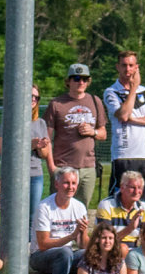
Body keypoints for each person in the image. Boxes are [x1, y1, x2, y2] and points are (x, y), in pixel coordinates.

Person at [43, 63, 107, 208]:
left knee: (81, 209)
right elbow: (46, 139)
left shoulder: (95, 101)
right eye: (77, 78)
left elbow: (103, 133)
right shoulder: (56, 104)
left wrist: (93, 132)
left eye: (85, 79)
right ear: (68, 81)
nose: (81, 82)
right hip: (63, 166)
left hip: (88, 167)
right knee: (58, 208)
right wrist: (52, 167)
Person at [29, 166, 89, 274]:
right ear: (57, 184)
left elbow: (82, 245)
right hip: (41, 257)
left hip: (66, 256)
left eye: (73, 183)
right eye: (66, 183)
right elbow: (43, 244)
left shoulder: (79, 207)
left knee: (89, 254)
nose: (70, 187)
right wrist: (71, 236)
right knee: (65, 252)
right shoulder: (45, 207)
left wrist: (82, 233)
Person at [103, 50, 145, 196]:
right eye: (124, 65)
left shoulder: (144, 91)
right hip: (123, 155)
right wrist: (133, 88)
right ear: (117, 67)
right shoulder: (111, 92)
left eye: (131, 65)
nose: (128, 69)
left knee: (144, 197)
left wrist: (135, 119)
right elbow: (123, 114)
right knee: (120, 197)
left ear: (136, 67)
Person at [95, 170, 145, 248]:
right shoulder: (106, 205)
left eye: (140, 188)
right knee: (123, 248)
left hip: (134, 250)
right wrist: (130, 228)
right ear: (122, 188)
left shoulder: (144, 206)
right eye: (132, 187)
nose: (137, 192)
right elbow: (105, 240)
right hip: (111, 249)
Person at [28, 84, 55, 221]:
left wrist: (40, 147)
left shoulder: (41, 123)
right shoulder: (12, 120)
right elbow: (3, 149)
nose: (33, 99)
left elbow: (44, 154)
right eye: (30, 96)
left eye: (36, 97)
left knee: (33, 214)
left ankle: (29, 242)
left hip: (35, 175)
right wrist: (29, 145)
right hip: (14, 175)